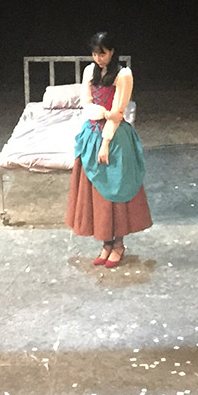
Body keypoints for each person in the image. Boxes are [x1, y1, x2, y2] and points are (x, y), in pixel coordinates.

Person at [65, 31, 151, 267]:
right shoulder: (89, 71)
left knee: (116, 188)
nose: (98, 58)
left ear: (112, 52)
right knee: (97, 193)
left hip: (114, 137)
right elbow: (86, 104)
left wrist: (106, 142)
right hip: (92, 132)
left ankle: (118, 245)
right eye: (94, 54)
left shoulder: (123, 75)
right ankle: (105, 244)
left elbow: (118, 113)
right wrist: (103, 112)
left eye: (102, 53)